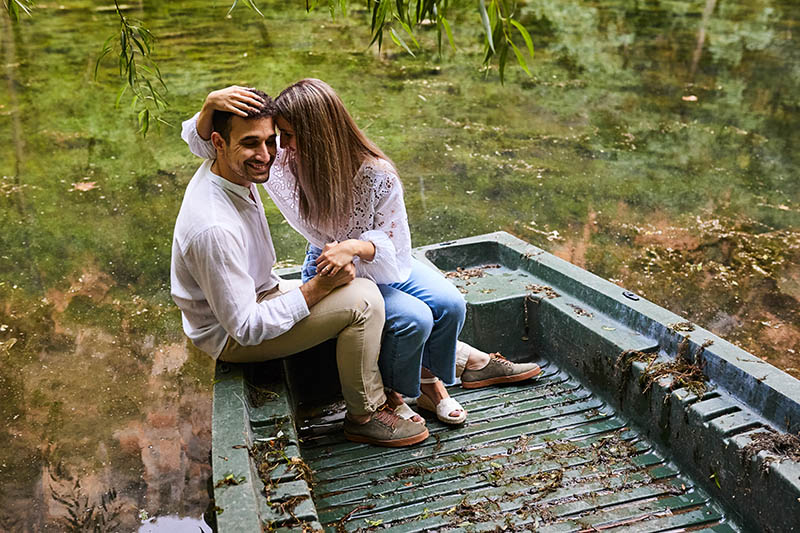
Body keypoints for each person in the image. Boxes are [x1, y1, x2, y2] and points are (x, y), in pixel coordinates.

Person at [181, 82, 541, 426]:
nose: (276, 149)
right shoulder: (274, 163)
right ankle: (402, 394)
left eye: (284, 137)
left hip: (378, 259)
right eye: (276, 138)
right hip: (323, 271)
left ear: (319, 136)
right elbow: (210, 144)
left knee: (450, 305)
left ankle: (448, 373)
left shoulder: (373, 173)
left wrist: (355, 247)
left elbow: (395, 248)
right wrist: (209, 106)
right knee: (409, 317)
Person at [170, 89, 428, 447]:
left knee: (376, 297)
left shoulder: (228, 168)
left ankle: (434, 370)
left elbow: (198, 138)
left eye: (271, 141)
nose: (266, 156)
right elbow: (245, 327)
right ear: (219, 143)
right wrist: (318, 288)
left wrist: (210, 105)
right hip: (231, 335)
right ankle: (365, 414)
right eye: (250, 144)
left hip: (260, 293)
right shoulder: (214, 227)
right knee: (364, 301)